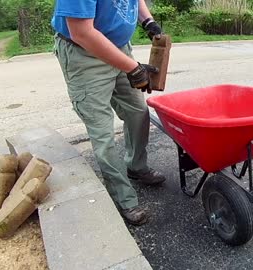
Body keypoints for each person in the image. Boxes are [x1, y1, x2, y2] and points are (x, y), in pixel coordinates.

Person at [51, 0, 166, 225]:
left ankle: (136, 166)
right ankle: (124, 199)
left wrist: (148, 20)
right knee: (102, 133)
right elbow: (81, 32)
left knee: (138, 112)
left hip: (120, 47)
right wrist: (133, 68)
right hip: (83, 54)